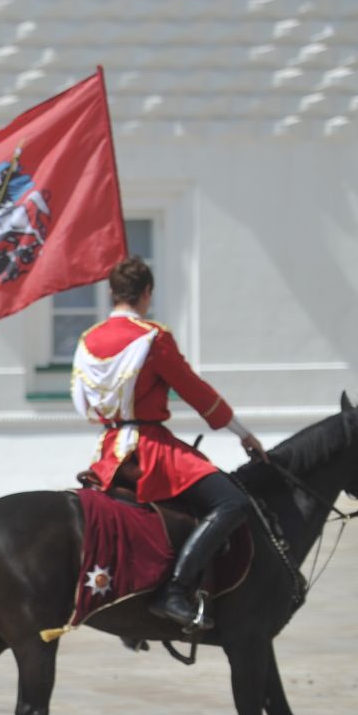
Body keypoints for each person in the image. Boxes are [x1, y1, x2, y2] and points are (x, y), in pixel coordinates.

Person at [72, 256, 267, 631]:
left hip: (108, 450)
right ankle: (174, 590)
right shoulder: (152, 337)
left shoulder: (86, 340)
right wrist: (242, 432)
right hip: (149, 448)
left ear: (111, 292)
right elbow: (196, 392)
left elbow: (82, 401)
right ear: (147, 293)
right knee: (232, 502)